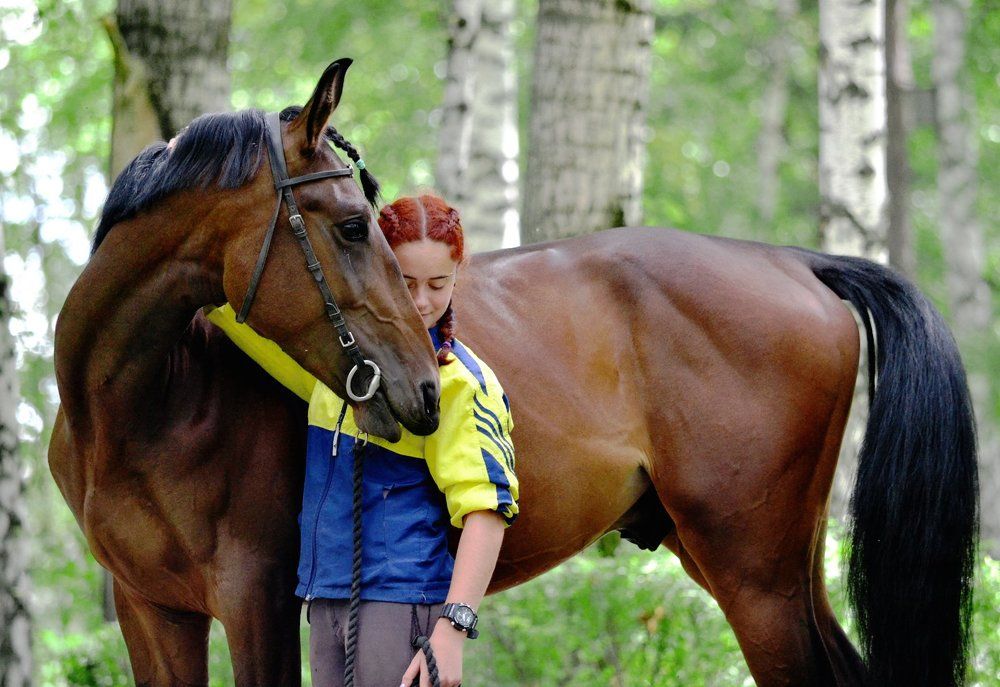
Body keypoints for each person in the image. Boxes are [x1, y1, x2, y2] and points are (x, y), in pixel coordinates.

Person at [205, 194, 518, 687]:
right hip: (327, 601)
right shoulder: (338, 372)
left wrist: (452, 631)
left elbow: (485, 512)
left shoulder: (459, 381)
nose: (421, 301)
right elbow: (246, 321)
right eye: (404, 281)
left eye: (438, 284)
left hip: (401, 604)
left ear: (457, 276)